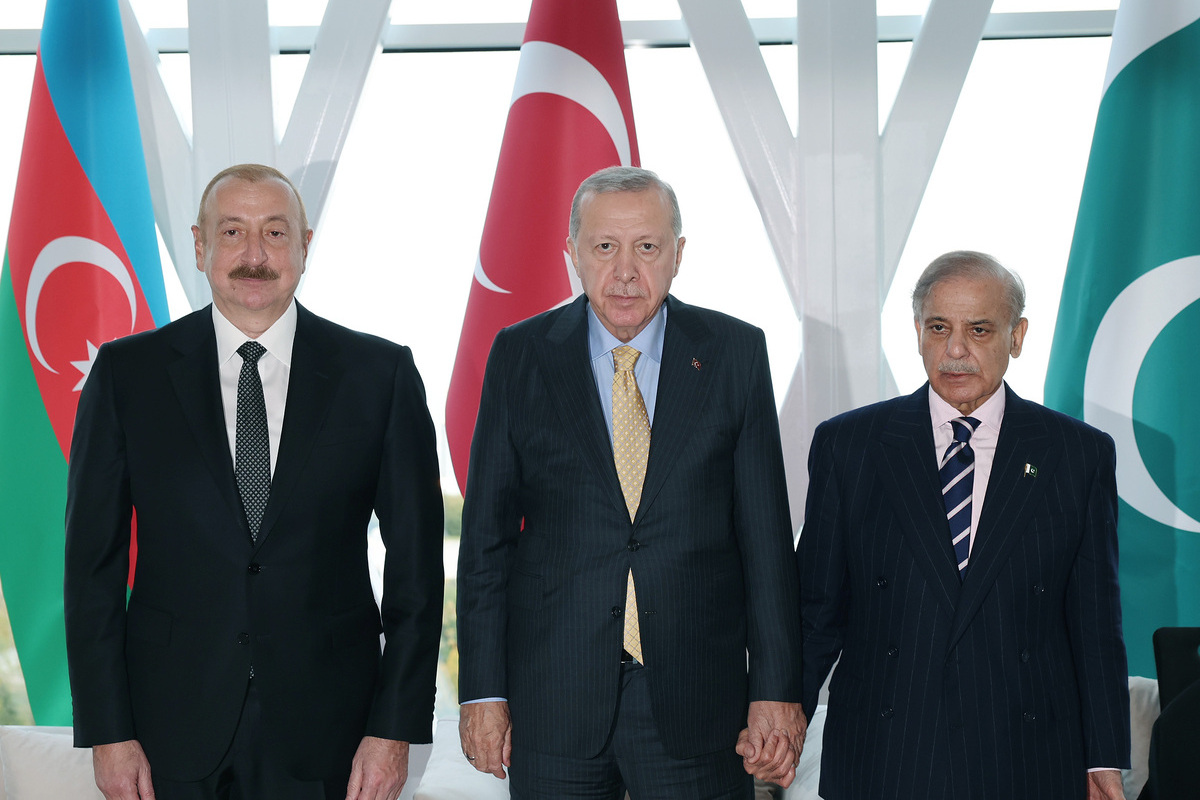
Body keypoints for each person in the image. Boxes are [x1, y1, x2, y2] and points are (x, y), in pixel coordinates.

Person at [64, 164, 444, 800]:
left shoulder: (380, 375)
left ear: (304, 245)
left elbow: (417, 570)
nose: (254, 254)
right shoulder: (127, 375)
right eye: (233, 231)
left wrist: (395, 729)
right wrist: (107, 730)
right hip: (166, 728)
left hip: (335, 732)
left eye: (274, 231)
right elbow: (90, 569)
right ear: (199, 245)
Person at [455, 166, 805, 799]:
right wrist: (483, 689)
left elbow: (766, 542)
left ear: (677, 255)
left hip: (699, 706)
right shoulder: (519, 356)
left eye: (646, 247)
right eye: (604, 247)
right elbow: (485, 543)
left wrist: (776, 691)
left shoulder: (735, 353)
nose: (624, 272)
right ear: (572, 256)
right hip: (554, 703)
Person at [797, 250, 1131, 799]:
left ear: (1016, 336)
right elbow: (814, 612)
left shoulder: (1078, 454)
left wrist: (1104, 756)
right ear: (917, 332)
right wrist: (785, 717)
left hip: (1026, 757)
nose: (955, 351)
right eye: (939, 328)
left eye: (979, 330)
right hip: (885, 755)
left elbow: (1095, 625)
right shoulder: (850, 445)